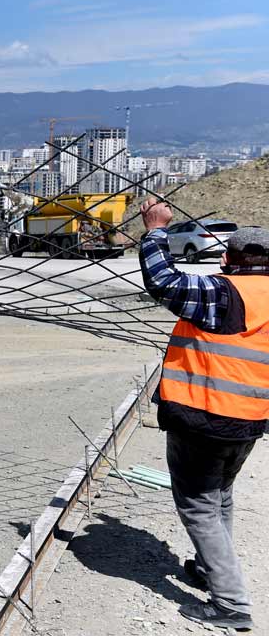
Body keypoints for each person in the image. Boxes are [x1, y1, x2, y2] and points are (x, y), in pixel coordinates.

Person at [139, 199, 267, 631]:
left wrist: (156, 230)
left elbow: (162, 281)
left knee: (198, 506)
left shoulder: (224, 291)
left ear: (232, 258)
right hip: (249, 418)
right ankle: (209, 566)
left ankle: (231, 603)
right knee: (220, 496)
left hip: (205, 416)